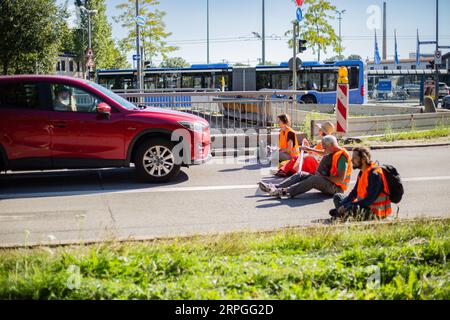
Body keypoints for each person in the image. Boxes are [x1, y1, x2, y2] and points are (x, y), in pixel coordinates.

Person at [259, 135, 352, 199]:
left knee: (314, 179)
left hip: (337, 189)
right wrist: (308, 149)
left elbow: (339, 180)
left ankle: (284, 192)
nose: (324, 150)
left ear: (332, 145)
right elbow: (323, 153)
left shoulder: (342, 157)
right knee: (301, 174)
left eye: (325, 147)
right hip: (330, 182)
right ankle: (275, 187)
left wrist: (322, 177)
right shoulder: (333, 152)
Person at [330, 146, 392, 221]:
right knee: (338, 197)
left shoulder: (374, 175)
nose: (351, 160)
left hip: (375, 212)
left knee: (349, 207)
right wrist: (344, 205)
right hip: (363, 205)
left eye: (354, 158)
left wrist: (347, 206)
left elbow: (369, 200)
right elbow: (354, 193)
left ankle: (341, 215)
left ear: (363, 159)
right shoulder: (362, 172)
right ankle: (342, 214)